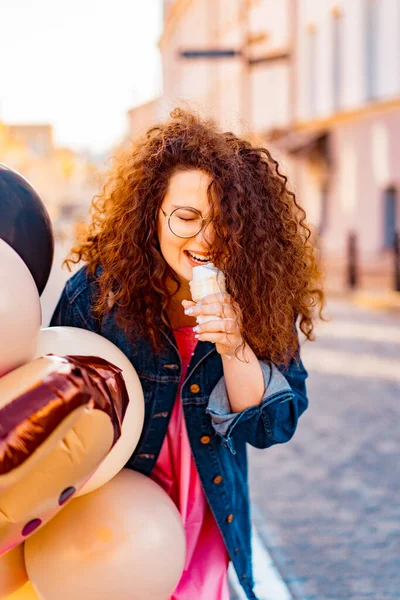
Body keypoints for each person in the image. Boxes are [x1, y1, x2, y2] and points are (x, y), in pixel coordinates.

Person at [51, 108, 324, 600]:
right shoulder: (95, 293)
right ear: (152, 213)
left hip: (205, 517)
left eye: (225, 223)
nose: (206, 239)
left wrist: (235, 345)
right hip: (109, 529)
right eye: (187, 217)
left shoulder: (262, 297)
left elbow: (272, 427)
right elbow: (52, 415)